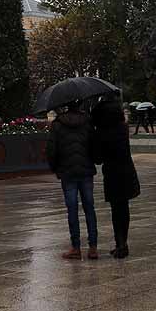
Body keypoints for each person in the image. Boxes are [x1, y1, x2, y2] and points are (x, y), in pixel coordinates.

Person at [46, 101, 98, 260]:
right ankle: (93, 247)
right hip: (86, 170)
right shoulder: (88, 122)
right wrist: (93, 160)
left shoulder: (58, 124)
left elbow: (51, 149)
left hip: (67, 172)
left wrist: (55, 168)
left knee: (72, 209)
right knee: (89, 208)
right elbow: (94, 146)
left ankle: (76, 247)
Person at [91, 98, 140, 259]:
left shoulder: (101, 133)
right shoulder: (123, 128)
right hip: (127, 170)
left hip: (112, 173)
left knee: (116, 209)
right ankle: (122, 242)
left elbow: (97, 158)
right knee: (123, 209)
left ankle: (120, 244)